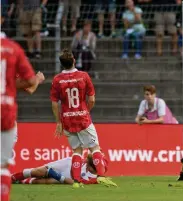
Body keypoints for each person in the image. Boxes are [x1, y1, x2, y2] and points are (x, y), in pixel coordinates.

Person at [50, 49, 107, 187]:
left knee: (77, 151)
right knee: (94, 148)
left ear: (61, 64)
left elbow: (54, 103)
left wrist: (58, 121)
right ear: (74, 60)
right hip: (83, 119)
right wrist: (85, 111)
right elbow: (92, 99)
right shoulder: (83, 76)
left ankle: (76, 181)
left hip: (67, 120)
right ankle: (101, 176)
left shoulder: (57, 80)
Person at [1, 15, 39, 200]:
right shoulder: (12, 49)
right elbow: (31, 85)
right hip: (6, 111)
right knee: (3, 165)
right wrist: (38, 79)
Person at [11, 154, 116, 186]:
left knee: (45, 181)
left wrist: (55, 175)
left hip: (69, 176)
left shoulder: (92, 179)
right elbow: (98, 152)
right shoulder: (101, 162)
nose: (86, 164)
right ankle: (13, 177)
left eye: (88, 165)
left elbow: (73, 182)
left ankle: (22, 181)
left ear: (93, 169)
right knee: (40, 171)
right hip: (68, 164)